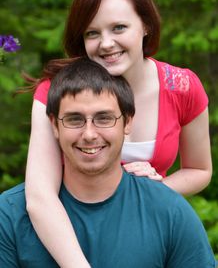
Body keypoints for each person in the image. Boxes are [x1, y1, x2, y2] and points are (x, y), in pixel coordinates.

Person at [25, 0, 212, 267]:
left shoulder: (183, 87)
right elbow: (39, 196)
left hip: (145, 234)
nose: (106, 44)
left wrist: (152, 190)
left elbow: (200, 169)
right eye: (92, 33)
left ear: (146, 26)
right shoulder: (55, 92)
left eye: (119, 28)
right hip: (65, 232)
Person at [0, 58, 216, 267]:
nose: (89, 134)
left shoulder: (170, 212)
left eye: (104, 118)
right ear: (55, 126)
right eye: (74, 119)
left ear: (127, 122)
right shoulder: (10, 216)